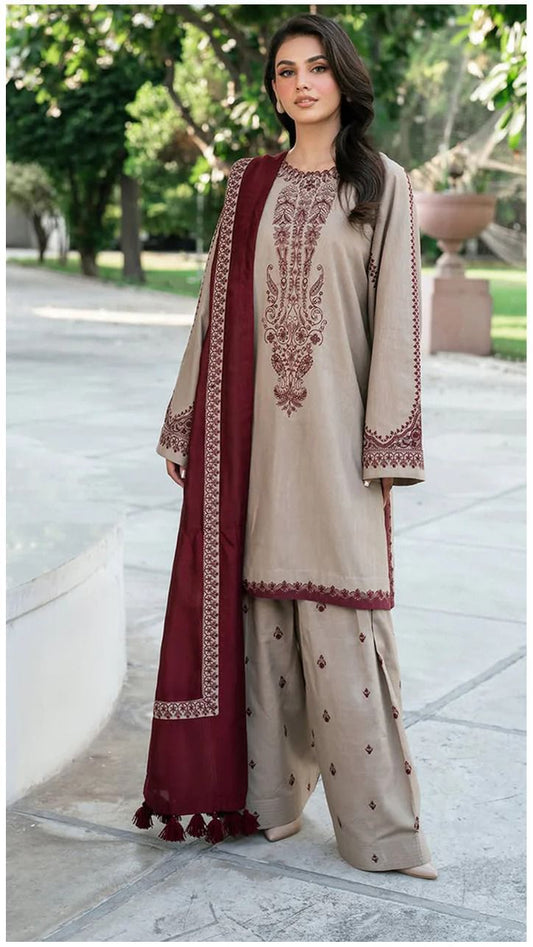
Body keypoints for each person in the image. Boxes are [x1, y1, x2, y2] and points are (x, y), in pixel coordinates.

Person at [133, 12, 437, 881]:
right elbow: (211, 314)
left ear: (342, 79)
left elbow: (397, 323)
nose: (300, 83)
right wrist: (188, 418)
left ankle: (383, 831)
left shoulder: (382, 183)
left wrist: (386, 445)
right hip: (254, 437)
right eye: (284, 72)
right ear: (273, 89)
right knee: (262, 610)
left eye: (315, 68)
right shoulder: (248, 185)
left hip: (338, 439)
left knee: (344, 617)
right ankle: (267, 802)